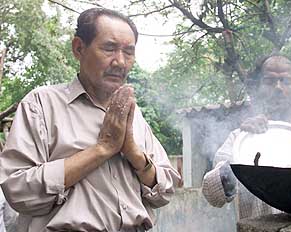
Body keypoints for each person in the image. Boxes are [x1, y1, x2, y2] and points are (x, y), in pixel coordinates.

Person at [0, 8, 181, 232]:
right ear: (79, 48)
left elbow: (165, 190)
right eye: (109, 48)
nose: (120, 62)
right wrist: (102, 149)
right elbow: (19, 190)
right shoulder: (41, 105)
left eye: (129, 52)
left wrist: (134, 154)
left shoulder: (134, 116)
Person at [202, 54, 291, 220]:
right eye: (269, 81)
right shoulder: (240, 139)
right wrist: (241, 157)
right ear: (257, 88)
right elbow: (213, 196)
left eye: (286, 81)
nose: (278, 87)